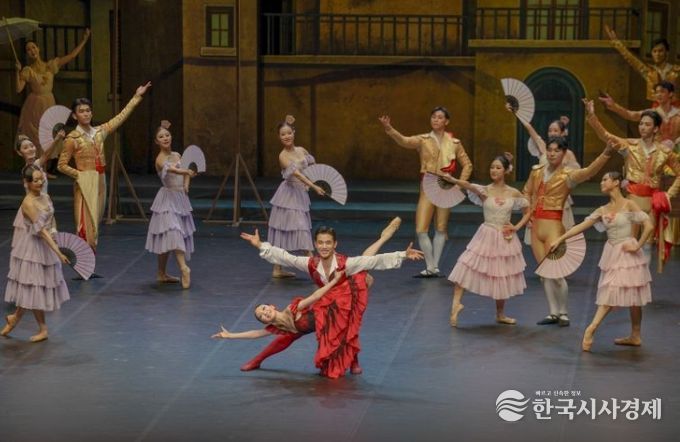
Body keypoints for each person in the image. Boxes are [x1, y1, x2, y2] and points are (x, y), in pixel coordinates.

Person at [237, 218, 423, 378]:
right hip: (325, 302)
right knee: (290, 333)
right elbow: (287, 258)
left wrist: (403, 255)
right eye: (320, 243)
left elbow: (374, 261)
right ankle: (257, 360)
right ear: (315, 244)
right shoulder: (310, 263)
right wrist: (261, 245)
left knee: (348, 325)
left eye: (328, 243)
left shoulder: (346, 263)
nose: (324, 246)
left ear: (335, 244)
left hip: (346, 298)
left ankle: (354, 361)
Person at [549, 172, 653, 351]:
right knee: (611, 290)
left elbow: (648, 225)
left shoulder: (629, 204)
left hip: (628, 253)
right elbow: (581, 226)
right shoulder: (603, 209)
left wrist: (638, 246)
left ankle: (618, 332)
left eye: (605, 179)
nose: (602, 183)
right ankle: (596, 329)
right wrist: (560, 239)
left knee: (633, 296)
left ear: (616, 182)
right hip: (613, 253)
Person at [523, 131, 613, 327]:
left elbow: (589, 172)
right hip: (536, 226)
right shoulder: (537, 171)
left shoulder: (568, 176)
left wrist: (606, 153)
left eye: (557, 150)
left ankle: (563, 312)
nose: (552, 153)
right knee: (544, 272)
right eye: (549, 150)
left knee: (557, 272)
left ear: (564, 153)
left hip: (554, 225)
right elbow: (526, 192)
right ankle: (553, 312)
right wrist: (527, 214)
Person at [379, 107, 473, 277]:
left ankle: (433, 267)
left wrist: (459, 184)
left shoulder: (455, 143)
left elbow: (467, 164)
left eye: (440, 117)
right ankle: (431, 265)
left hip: (446, 186)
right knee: (421, 229)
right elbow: (404, 141)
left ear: (446, 121)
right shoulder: (423, 140)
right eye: (433, 117)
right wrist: (389, 128)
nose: (436, 120)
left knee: (441, 228)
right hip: (427, 186)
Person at [58, 81, 152, 251]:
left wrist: (136, 96)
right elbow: (61, 165)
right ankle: (84, 259)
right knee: (85, 224)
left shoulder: (99, 132)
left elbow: (120, 117)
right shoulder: (72, 138)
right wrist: (80, 175)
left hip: (101, 179)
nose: (86, 114)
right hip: (85, 181)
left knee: (96, 222)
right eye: (81, 111)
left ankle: (90, 257)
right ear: (74, 116)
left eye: (88, 110)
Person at [584, 98, 680, 256]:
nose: (642, 127)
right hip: (632, 200)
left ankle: (643, 272)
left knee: (647, 246)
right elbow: (606, 136)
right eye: (641, 124)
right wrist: (592, 116)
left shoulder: (665, 152)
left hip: (653, 202)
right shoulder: (630, 145)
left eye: (647, 124)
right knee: (627, 243)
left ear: (656, 129)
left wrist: (668, 195)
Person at [445, 154, 531, 326]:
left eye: (498, 167)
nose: (494, 170)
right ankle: (455, 305)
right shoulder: (485, 190)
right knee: (465, 264)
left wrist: (516, 227)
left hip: (504, 237)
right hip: (486, 234)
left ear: (506, 171)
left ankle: (500, 314)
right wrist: (453, 180)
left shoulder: (513, 192)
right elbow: (468, 185)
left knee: (501, 274)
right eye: (492, 167)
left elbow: (528, 210)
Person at [211, 270, 345, 375]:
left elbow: (316, 296)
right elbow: (255, 334)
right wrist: (230, 335)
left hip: (328, 321)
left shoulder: (293, 309)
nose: (265, 313)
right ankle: (256, 361)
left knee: (339, 345)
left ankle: (354, 361)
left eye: (264, 308)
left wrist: (335, 280)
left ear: (272, 306)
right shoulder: (276, 327)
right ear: (264, 321)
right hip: (301, 329)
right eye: (261, 316)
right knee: (281, 341)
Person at [1, 165, 70, 342]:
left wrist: (54, 232)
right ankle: (41, 327)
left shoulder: (45, 197)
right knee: (32, 285)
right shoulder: (28, 203)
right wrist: (57, 251)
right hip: (33, 247)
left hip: (45, 244)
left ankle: (15, 319)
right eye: (36, 180)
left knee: (34, 286)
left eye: (41, 179)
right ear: (27, 182)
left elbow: (51, 219)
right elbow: (40, 231)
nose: (40, 182)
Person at [15, 30, 91, 160]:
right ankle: (38, 165)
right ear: (27, 54)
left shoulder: (50, 65)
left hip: (48, 102)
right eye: (28, 49)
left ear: (38, 48)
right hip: (34, 105)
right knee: (36, 135)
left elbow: (72, 56)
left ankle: (45, 165)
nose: (32, 51)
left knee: (49, 134)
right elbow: (18, 89)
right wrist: (17, 71)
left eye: (33, 47)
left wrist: (84, 40)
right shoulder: (28, 70)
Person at [267, 115, 325, 278]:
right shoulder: (283, 156)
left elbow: (311, 166)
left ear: (294, 133)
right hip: (287, 196)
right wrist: (313, 186)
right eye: (282, 134)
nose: (286, 136)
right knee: (295, 229)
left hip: (300, 194)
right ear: (279, 137)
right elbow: (296, 174)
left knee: (300, 228)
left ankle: (278, 269)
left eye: (288, 133)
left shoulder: (301, 150)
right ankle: (316, 269)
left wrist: (310, 181)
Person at [505, 103, 579, 231]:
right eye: (550, 130)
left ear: (563, 133)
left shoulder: (568, 154)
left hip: (557, 196)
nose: (552, 133)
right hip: (540, 193)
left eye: (555, 130)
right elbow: (530, 128)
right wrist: (517, 112)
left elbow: (576, 175)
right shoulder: (543, 147)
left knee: (558, 233)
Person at [145, 121, 196, 289]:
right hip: (167, 200)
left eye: (167, 135)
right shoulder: (160, 159)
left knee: (166, 236)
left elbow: (186, 171)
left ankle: (161, 273)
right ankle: (184, 268)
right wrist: (186, 171)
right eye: (161, 137)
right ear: (156, 141)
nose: (165, 138)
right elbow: (174, 170)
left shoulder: (177, 155)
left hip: (180, 199)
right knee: (173, 232)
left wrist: (186, 184)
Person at [605, 26, 680, 103]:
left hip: (675, 106)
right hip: (656, 106)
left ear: (666, 52)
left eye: (660, 51)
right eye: (654, 51)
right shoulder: (649, 71)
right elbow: (631, 59)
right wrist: (617, 43)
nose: (657, 54)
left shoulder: (676, 71)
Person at [598, 81, 680, 147]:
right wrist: (614, 105)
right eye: (657, 92)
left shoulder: (678, 113)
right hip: (655, 153)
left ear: (670, 94)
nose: (659, 95)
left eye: (662, 91)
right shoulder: (651, 113)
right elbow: (631, 115)